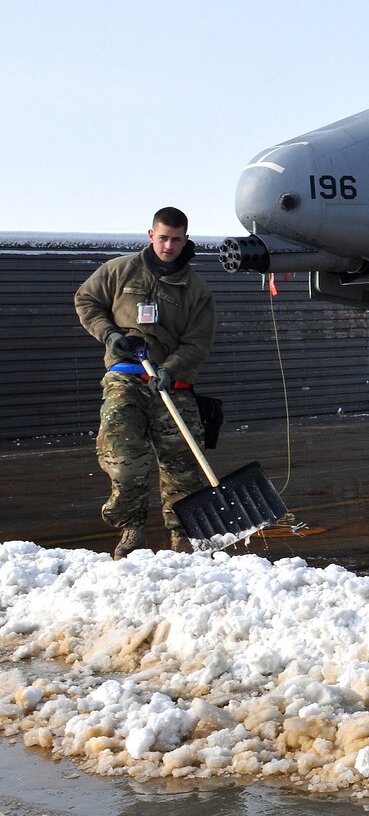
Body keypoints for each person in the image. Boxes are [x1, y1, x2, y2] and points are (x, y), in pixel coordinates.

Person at [73, 207, 216, 558]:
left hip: (172, 384)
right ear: (151, 235)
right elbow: (86, 300)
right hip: (125, 378)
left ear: (186, 240)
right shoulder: (120, 271)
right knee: (123, 460)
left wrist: (170, 369)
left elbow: (198, 342)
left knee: (182, 466)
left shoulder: (196, 290)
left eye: (176, 239)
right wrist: (108, 334)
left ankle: (182, 535)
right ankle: (132, 528)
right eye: (163, 237)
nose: (169, 245)